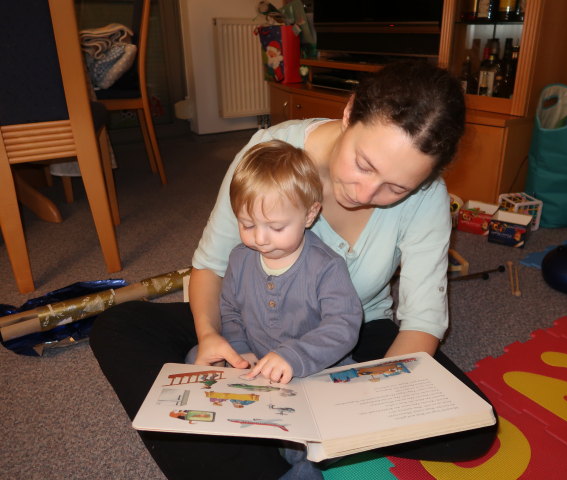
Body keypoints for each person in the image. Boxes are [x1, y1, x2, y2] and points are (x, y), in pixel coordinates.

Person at [90, 59, 498, 480]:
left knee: (472, 430)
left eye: (397, 188)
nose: (366, 193)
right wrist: (211, 337)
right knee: (118, 327)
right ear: (349, 112)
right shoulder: (270, 154)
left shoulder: (429, 197)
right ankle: (277, 451)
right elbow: (210, 267)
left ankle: (258, 442)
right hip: (253, 318)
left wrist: (380, 397)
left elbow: (421, 321)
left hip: (352, 332)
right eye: (363, 164)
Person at [187, 139, 362, 478]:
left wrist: (294, 357)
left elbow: (344, 326)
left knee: (317, 444)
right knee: (196, 355)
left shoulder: (326, 266)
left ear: (310, 214)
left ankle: (298, 461)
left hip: (316, 371)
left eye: (276, 227)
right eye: (247, 224)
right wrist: (239, 351)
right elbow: (231, 310)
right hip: (259, 366)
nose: (260, 239)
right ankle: (256, 434)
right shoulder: (240, 258)